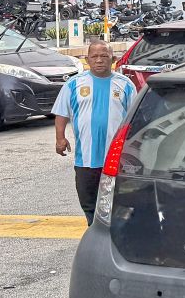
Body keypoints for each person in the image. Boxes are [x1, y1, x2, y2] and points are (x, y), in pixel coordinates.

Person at [53, 40, 136, 225]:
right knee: (89, 202)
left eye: (104, 56)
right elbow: (61, 113)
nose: (99, 60)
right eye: (94, 56)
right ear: (87, 60)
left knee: (118, 202)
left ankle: (116, 234)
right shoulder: (73, 84)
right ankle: (93, 229)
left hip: (116, 159)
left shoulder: (125, 85)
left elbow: (135, 118)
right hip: (86, 159)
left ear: (113, 59)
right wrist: (60, 138)